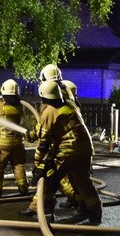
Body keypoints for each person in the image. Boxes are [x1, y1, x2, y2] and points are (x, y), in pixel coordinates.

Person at [20, 79, 101, 225]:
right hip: (85, 149)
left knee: (49, 180)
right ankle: (94, 214)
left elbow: (43, 143)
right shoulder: (70, 105)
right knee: (83, 183)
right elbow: (50, 127)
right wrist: (32, 134)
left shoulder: (49, 111)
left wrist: (38, 164)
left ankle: (46, 214)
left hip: (68, 151)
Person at [0, 79, 29, 198]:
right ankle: (23, 189)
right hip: (17, 143)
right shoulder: (20, 107)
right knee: (18, 166)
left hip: (2, 143)